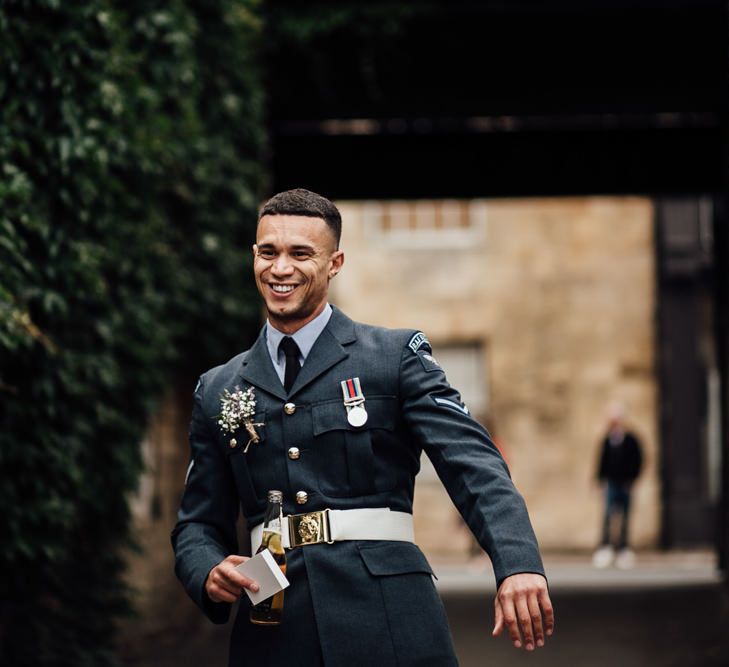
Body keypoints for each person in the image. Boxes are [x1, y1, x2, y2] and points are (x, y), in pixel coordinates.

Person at [172, 188, 554, 666]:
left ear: (335, 263)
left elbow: (473, 464)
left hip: (387, 619)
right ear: (253, 256)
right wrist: (206, 569)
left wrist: (517, 563)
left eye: (300, 254)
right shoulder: (218, 388)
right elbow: (197, 523)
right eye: (268, 252)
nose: (281, 268)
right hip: (272, 631)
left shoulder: (393, 358)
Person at [592, 403, 643, 569]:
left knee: (625, 516)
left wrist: (632, 479)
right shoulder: (607, 439)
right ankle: (606, 547)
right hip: (611, 483)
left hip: (625, 483)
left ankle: (624, 549)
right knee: (608, 515)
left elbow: (638, 460)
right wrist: (600, 480)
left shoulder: (631, 439)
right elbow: (602, 461)